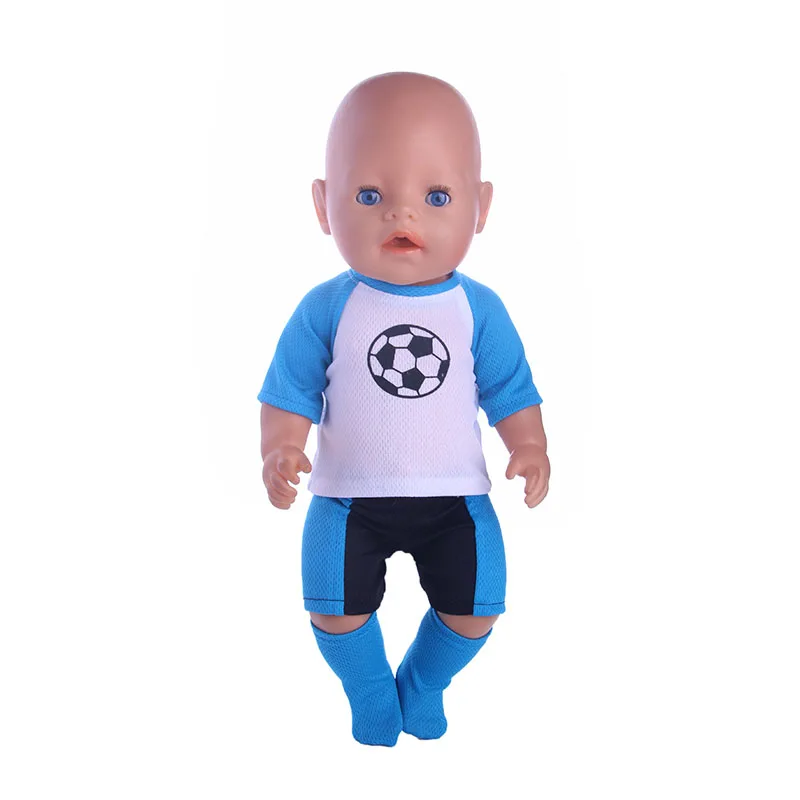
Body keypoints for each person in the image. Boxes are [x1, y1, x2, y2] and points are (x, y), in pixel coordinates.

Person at [258, 72, 550, 746]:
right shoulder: (326, 308)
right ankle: (368, 690)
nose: (402, 215)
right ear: (324, 205)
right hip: (347, 499)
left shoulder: (478, 309)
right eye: (370, 196)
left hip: (455, 498)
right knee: (332, 609)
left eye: (436, 196)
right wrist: (280, 448)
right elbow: (289, 390)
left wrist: (529, 446)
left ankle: (422, 683)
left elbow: (510, 389)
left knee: (478, 607)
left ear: (480, 208)